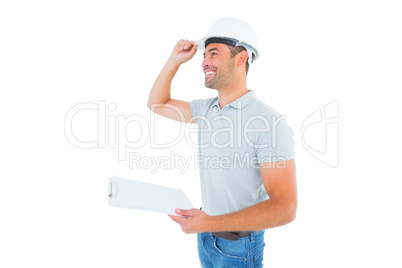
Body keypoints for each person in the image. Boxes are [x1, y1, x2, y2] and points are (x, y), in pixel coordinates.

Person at [147, 17, 297, 268]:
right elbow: (157, 104)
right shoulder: (207, 110)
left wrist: (208, 223)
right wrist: (174, 61)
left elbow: (285, 208)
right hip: (205, 238)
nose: (204, 61)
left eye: (214, 53)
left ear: (241, 58)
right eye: (204, 55)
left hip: (238, 247)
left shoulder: (269, 123)